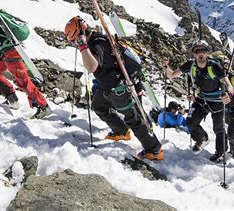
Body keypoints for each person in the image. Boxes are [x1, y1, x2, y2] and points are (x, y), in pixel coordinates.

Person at [64, 16, 163, 161]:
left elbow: (92, 67)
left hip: (118, 88)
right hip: (106, 87)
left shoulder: (97, 44)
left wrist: (83, 46)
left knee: (133, 119)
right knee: (99, 106)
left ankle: (154, 150)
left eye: (73, 41)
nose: (74, 44)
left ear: (79, 35)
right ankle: (121, 131)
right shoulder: (96, 41)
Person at [162, 39, 234, 160]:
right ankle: (202, 139)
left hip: (217, 100)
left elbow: (227, 83)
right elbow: (171, 75)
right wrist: (165, 66)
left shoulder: (214, 66)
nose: (200, 53)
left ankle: (220, 153)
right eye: (197, 51)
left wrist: (228, 93)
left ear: (207, 53)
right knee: (190, 122)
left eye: (203, 50)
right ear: (194, 54)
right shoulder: (190, 65)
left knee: (218, 128)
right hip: (201, 99)